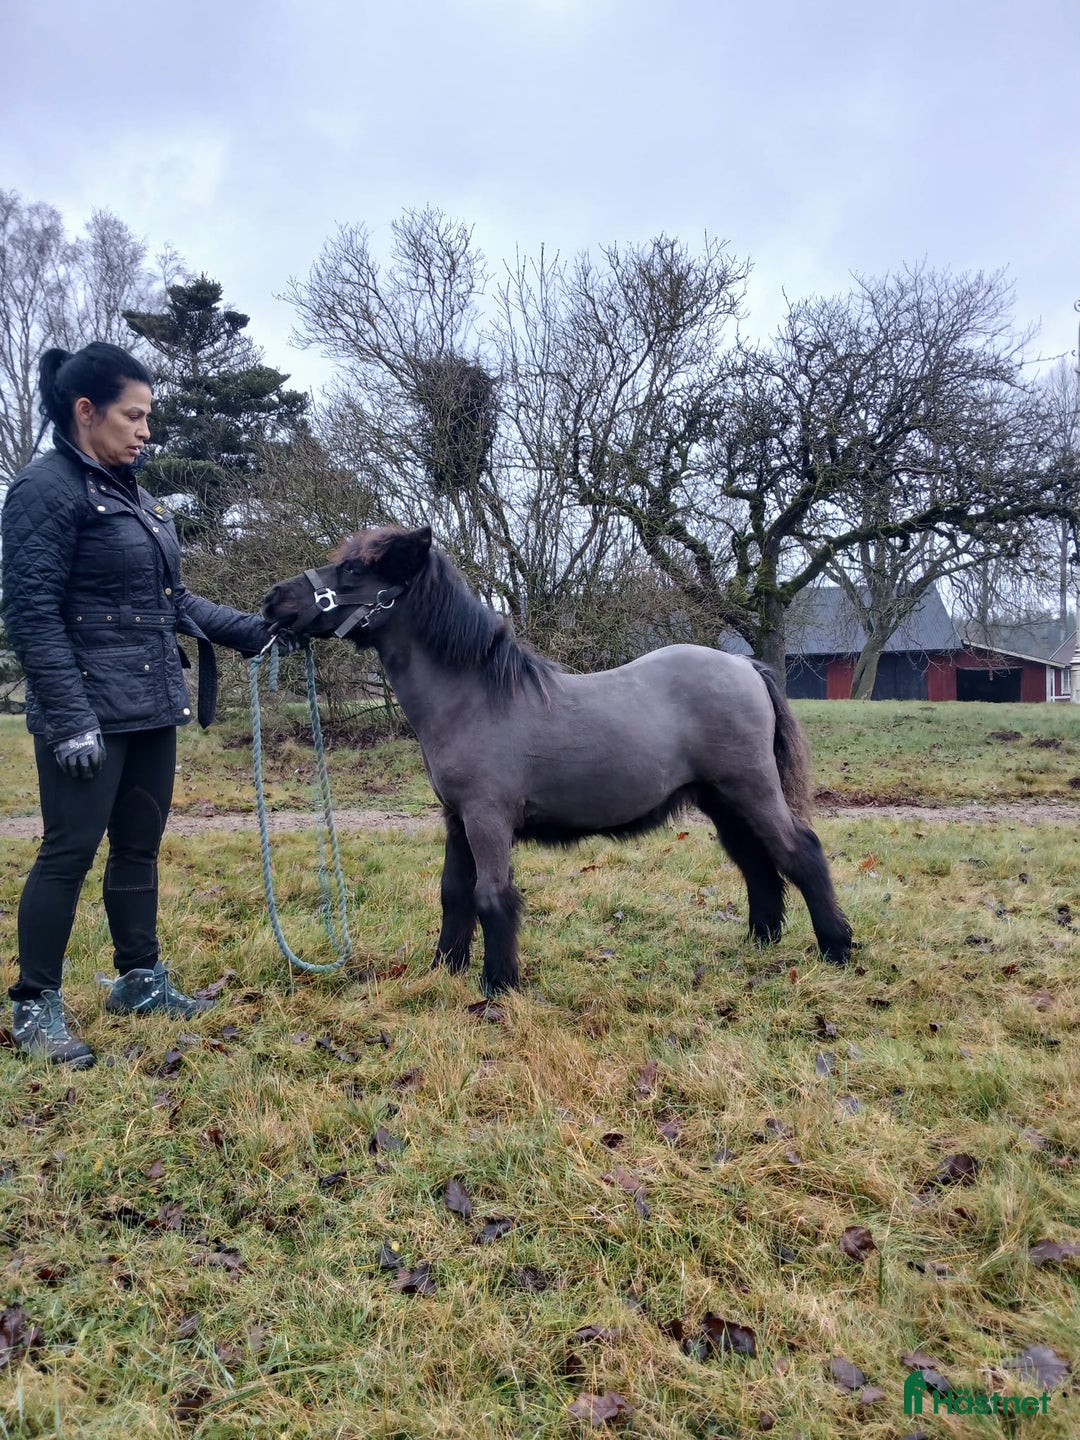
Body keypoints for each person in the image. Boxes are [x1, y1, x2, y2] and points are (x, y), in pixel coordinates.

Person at [2, 342, 293, 1069]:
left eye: (148, 418)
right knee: (67, 854)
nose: (144, 431)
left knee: (138, 847)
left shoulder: (131, 491)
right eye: (133, 416)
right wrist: (69, 718)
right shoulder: (46, 489)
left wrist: (257, 633)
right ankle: (34, 1006)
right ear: (85, 411)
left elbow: (171, 601)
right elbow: (32, 612)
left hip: (152, 704)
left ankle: (140, 980)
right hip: (88, 716)